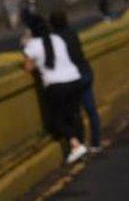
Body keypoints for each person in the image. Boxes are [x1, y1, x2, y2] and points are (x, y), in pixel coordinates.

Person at [22, 15, 88, 165]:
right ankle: (80, 145)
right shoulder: (57, 39)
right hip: (73, 78)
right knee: (74, 114)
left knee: (57, 119)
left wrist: (25, 45)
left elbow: (28, 67)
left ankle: (75, 145)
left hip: (56, 85)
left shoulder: (32, 45)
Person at [49, 10, 102, 153]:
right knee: (91, 110)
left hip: (73, 77)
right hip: (86, 71)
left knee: (74, 113)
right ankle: (96, 143)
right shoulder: (73, 33)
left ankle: (80, 144)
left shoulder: (55, 39)